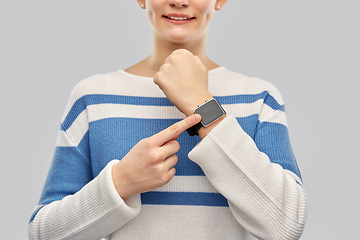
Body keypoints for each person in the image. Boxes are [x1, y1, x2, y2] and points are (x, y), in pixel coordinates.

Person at [28, 0, 308, 239]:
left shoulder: (259, 98)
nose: (179, 0)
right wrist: (120, 183)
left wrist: (202, 103)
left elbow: (286, 225)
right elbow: (44, 232)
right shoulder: (93, 96)